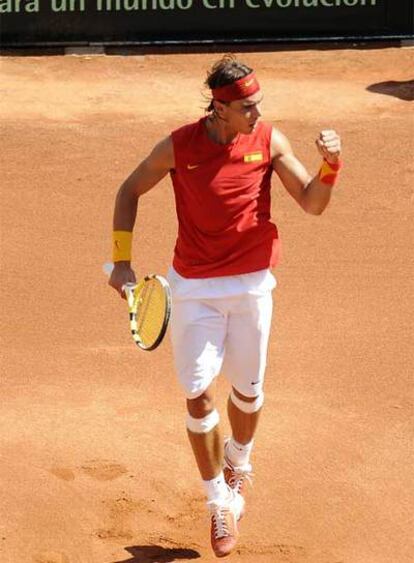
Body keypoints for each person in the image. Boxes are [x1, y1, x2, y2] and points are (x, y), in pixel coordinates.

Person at [108, 55, 342, 558]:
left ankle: (240, 458)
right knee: (197, 396)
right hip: (193, 287)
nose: (257, 113)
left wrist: (331, 166)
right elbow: (129, 189)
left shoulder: (270, 141)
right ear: (219, 107)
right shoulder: (178, 146)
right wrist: (122, 262)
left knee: (248, 395)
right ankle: (217, 500)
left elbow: (313, 202)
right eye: (248, 107)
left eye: (258, 104)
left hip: (253, 286)